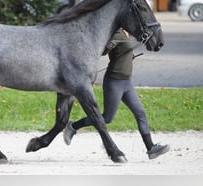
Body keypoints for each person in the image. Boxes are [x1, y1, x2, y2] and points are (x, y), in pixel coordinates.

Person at [63, 28, 170, 160]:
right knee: (107, 118)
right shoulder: (116, 34)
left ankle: (151, 148)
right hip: (114, 82)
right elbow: (104, 51)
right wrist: (111, 44)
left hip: (127, 83)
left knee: (140, 113)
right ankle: (73, 126)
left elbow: (125, 50)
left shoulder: (126, 34)